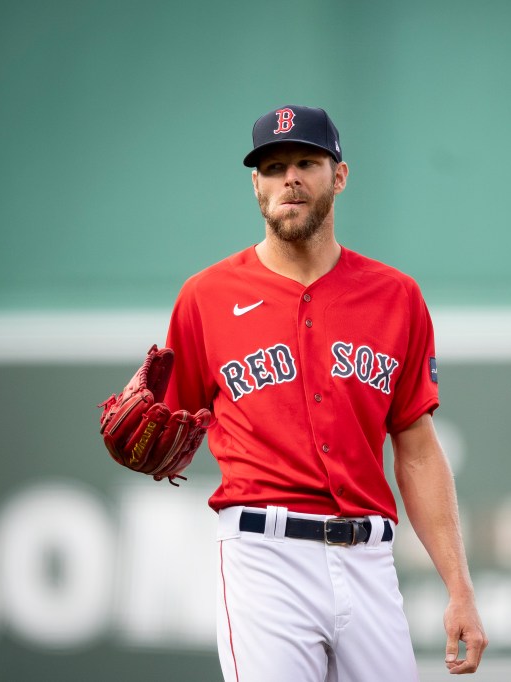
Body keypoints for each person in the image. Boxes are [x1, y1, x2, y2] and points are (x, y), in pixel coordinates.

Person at [162, 104, 487, 680]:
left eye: (307, 162)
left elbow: (415, 446)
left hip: (368, 560)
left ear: (338, 176)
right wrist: (150, 445)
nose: (290, 177)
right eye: (273, 165)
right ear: (255, 184)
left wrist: (459, 587)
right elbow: (168, 423)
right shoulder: (206, 297)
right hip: (265, 558)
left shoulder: (396, 297)